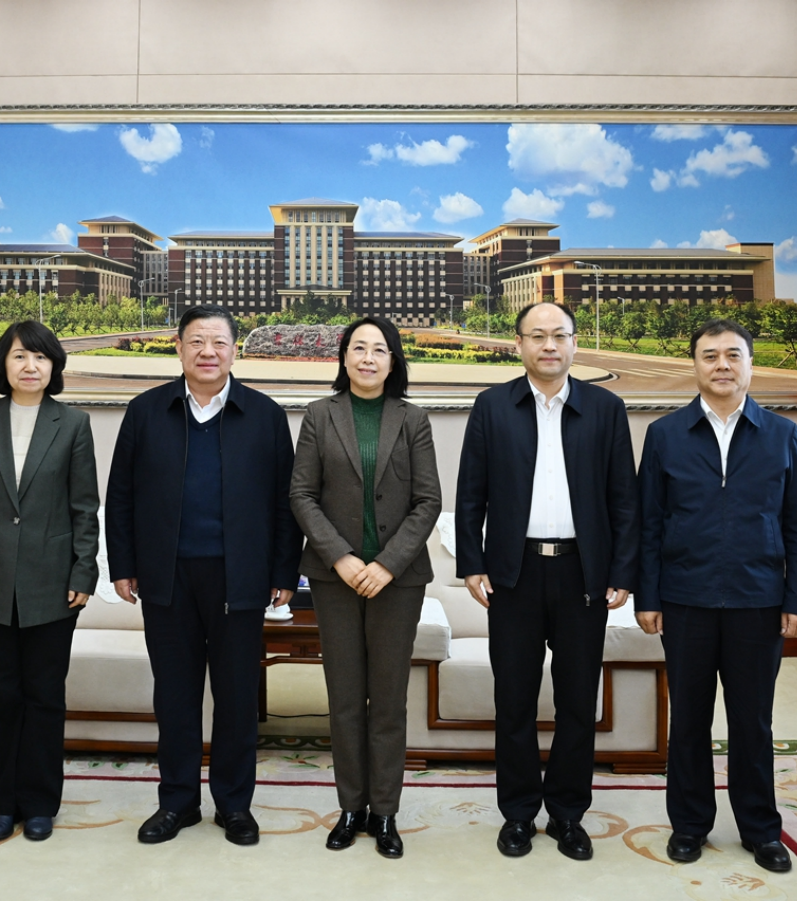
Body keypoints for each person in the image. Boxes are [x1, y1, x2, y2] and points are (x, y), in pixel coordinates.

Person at [105, 305, 302, 847]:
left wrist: (283, 571)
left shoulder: (264, 414)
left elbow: (286, 502)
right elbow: (120, 495)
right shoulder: (146, 411)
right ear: (179, 347)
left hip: (241, 578)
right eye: (196, 341)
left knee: (237, 698)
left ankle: (234, 806)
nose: (208, 352)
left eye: (218, 342)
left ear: (235, 350)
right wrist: (123, 566)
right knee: (175, 695)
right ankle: (177, 802)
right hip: (165, 577)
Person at [455, 301, 639, 862]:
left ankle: (567, 813)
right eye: (537, 336)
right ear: (519, 345)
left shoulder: (605, 409)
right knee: (513, 699)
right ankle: (517, 813)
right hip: (514, 574)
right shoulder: (492, 406)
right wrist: (472, 564)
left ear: (575, 343)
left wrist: (622, 571)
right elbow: (470, 494)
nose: (549, 345)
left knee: (578, 700)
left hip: (584, 574)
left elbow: (623, 499)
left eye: (560, 335)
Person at [636, 319, 797, 874]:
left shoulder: (781, 434)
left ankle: (761, 830)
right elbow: (649, 524)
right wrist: (648, 597)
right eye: (710, 355)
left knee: (752, 722)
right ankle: (689, 826)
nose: (721, 365)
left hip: (757, 601)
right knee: (689, 721)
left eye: (733, 355)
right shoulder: (665, 434)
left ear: (750, 365)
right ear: (694, 365)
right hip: (685, 599)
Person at [290, 317, 441, 859]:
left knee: (389, 701)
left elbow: (428, 501)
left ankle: (385, 812)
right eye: (359, 348)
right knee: (346, 698)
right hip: (335, 578)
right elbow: (302, 494)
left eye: (380, 349)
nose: (369, 358)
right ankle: (350, 807)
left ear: (393, 360)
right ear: (344, 357)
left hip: (398, 582)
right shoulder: (319, 415)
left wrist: (388, 564)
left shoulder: (413, 418)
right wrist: (342, 557)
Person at [0, 320, 99, 843]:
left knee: (45, 696)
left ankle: (40, 804)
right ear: (2, 365)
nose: (30, 366)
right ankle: (3, 802)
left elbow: (84, 507)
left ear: (54, 366)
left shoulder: (73, 424)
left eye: (40, 357)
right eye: (19, 356)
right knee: (2, 696)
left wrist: (84, 570)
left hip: (53, 583)